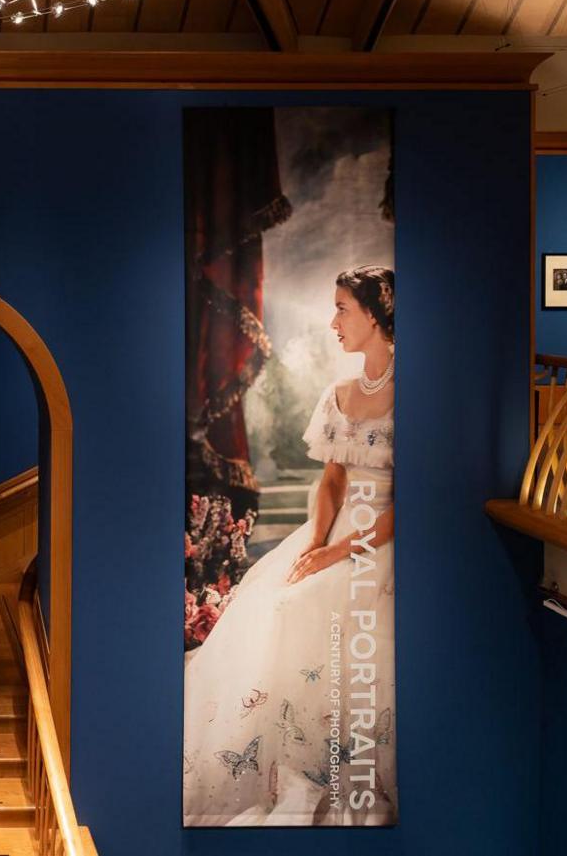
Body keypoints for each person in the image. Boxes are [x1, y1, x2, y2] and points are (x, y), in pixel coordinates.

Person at [183, 266, 397, 827]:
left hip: (384, 539)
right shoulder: (340, 394)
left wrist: (340, 551)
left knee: (317, 608)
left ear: (374, 314)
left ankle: (346, 774)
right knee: (278, 596)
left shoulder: (413, 394)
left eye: (343, 309)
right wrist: (318, 542)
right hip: (333, 529)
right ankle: (292, 767)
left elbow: (411, 502)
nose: (333, 322)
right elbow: (330, 481)